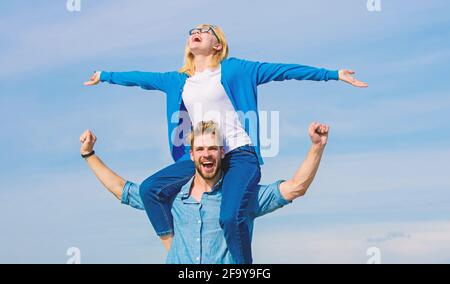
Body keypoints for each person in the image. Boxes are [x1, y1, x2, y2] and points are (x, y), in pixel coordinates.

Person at [84, 23, 366, 263]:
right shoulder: (178, 80)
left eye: (205, 31)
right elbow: (140, 79)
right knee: (150, 189)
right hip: (201, 156)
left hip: (239, 155)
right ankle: (174, 250)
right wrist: (105, 76)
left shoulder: (236, 70)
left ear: (218, 45)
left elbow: (283, 70)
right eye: (193, 31)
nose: (197, 32)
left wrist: (332, 74)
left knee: (230, 216)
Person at [79, 121, 330, 264]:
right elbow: (122, 190)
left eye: (212, 148)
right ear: (192, 155)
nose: (206, 154)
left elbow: (296, 187)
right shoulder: (171, 197)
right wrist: (89, 155)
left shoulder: (240, 198)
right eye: (200, 149)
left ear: (222, 153)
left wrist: (316, 147)